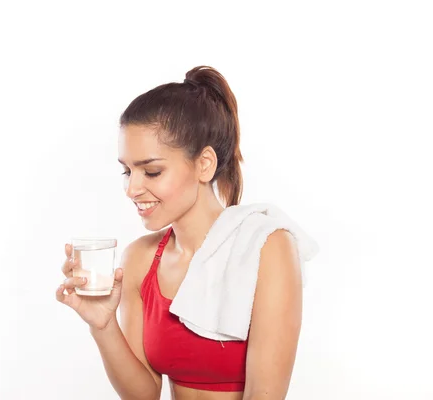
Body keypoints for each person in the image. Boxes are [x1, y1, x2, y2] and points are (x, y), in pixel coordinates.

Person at [55, 66, 303, 399]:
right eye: (127, 171)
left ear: (204, 164)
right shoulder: (141, 259)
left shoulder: (266, 249)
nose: (132, 188)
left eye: (152, 171)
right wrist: (103, 325)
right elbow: (143, 394)